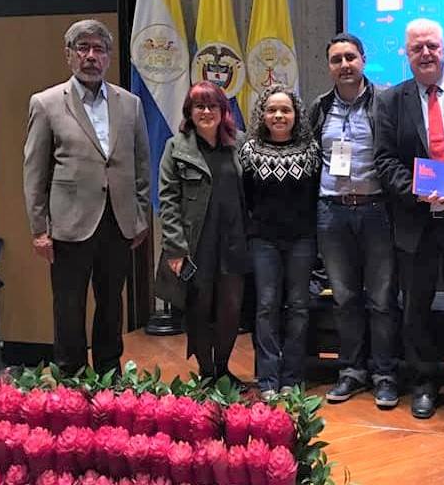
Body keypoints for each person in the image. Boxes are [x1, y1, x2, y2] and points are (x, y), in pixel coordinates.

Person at [374, 18, 444, 419]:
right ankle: (423, 383)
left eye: (432, 46)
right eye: (417, 47)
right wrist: (414, 190)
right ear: (406, 53)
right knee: (416, 308)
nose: (426, 53)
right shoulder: (391, 100)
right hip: (417, 222)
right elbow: (384, 159)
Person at [23, 19, 150, 376]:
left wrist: (141, 216)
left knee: (112, 302)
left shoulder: (130, 104)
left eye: (98, 49)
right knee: (69, 304)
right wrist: (39, 229)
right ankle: (72, 376)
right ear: (69, 55)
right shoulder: (46, 103)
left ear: (109, 56)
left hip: (118, 220)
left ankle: (109, 373)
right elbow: (35, 170)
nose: (91, 56)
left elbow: (142, 164)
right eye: (83, 48)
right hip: (69, 224)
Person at [309, 33, 400, 409]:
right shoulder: (319, 108)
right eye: (337, 59)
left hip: (376, 209)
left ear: (363, 59)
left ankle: (385, 375)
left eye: (350, 57)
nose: (344, 65)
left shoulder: (386, 102)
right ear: (329, 66)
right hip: (332, 212)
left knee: (381, 299)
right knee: (345, 298)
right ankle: (351, 371)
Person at [156, 81, 248, 382]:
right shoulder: (175, 147)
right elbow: (168, 200)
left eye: (212, 106)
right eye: (199, 106)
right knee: (199, 308)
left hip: (235, 241)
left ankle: (223, 369)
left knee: (231, 309)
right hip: (196, 244)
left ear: (223, 111)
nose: (206, 112)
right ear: (190, 112)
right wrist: (175, 248)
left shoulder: (241, 144)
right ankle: (207, 372)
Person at [240, 84, 321, 400]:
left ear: (296, 115)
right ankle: (268, 379)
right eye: (272, 109)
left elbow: (315, 197)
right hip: (263, 242)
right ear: (262, 114)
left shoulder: (311, 151)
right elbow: (245, 198)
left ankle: (292, 377)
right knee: (266, 307)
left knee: (299, 307)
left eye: (285, 110)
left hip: (302, 241)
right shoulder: (249, 152)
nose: (278, 115)